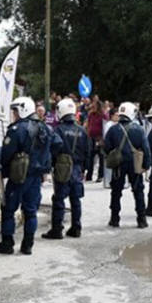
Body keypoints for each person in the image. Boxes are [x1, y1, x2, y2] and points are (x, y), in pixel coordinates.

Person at [0, 97, 62, 255]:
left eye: (15, 111)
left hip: (18, 176)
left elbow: (6, 153)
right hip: (36, 176)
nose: (14, 114)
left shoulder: (17, 129)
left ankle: (7, 243)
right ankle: (28, 244)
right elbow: (57, 144)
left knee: (9, 209)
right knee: (31, 210)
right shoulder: (45, 127)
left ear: (22, 110)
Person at [42, 99, 90, 239]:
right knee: (75, 199)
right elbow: (88, 151)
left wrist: (50, 166)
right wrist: (85, 169)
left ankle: (57, 229)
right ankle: (76, 227)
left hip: (62, 167)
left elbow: (52, 149)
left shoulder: (58, 130)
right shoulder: (82, 130)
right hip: (77, 168)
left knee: (59, 199)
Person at [103, 102, 151, 228]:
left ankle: (115, 219)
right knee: (138, 191)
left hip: (118, 164)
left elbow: (106, 147)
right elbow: (146, 149)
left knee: (116, 192)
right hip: (135, 163)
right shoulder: (139, 130)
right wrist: (146, 165)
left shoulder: (113, 129)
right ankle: (141, 220)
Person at [85, 100, 107, 182]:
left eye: (94, 106)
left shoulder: (103, 115)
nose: (92, 107)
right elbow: (89, 124)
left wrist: (103, 139)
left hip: (99, 138)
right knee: (90, 156)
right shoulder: (91, 115)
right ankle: (89, 175)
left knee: (101, 157)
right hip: (91, 137)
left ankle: (100, 175)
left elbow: (105, 127)